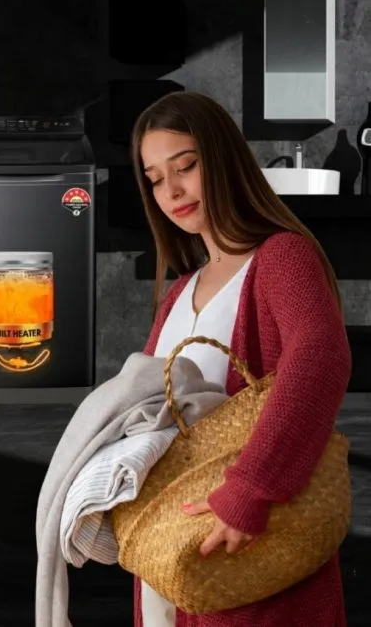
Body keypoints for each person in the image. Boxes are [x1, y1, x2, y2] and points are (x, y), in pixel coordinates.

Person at [130, 91, 352, 627]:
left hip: (247, 537)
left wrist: (250, 491)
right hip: (170, 546)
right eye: (156, 178)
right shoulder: (180, 291)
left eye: (185, 166)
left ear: (223, 160)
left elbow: (320, 358)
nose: (172, 190)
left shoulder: (280, 257)